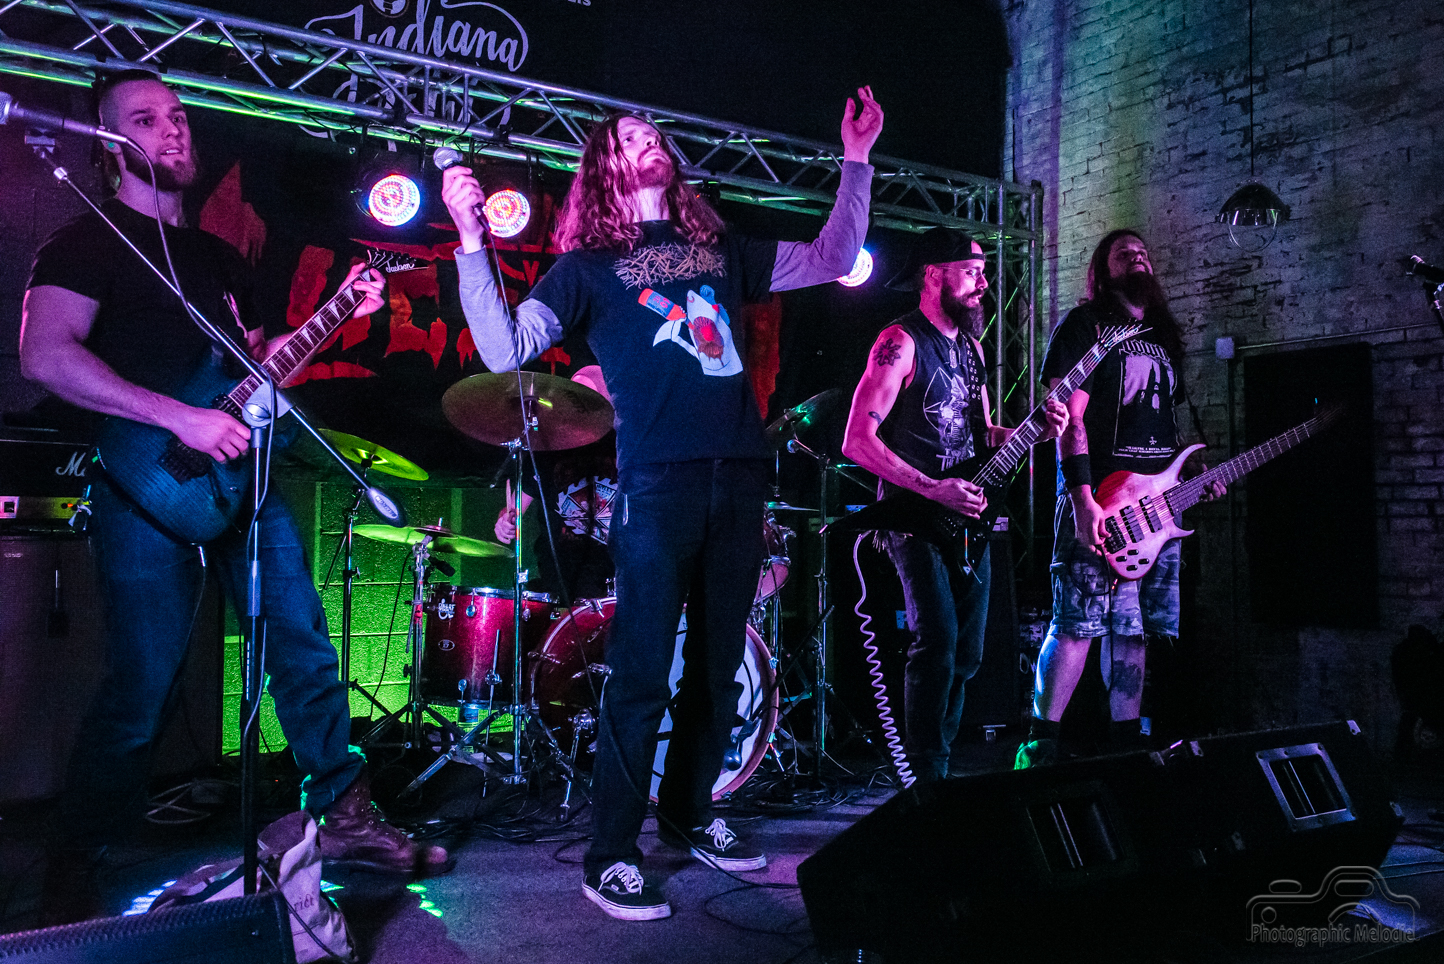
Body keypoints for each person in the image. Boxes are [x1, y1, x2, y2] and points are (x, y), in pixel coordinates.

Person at [18, 70, 450, 924]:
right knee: (142, 686)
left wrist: (340, 313)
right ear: (110, 145)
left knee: (305, 647)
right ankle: (75, 861)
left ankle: (346, 817)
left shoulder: (220, 260)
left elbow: (253, 370)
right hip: (142, 484)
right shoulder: (85, 242)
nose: (173, 129)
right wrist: (178, 416)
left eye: (179, 115)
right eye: (147, 119)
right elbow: (45, 355)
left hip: (239, 481)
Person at [443, 87, 883, 920]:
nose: (649, 140)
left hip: (739, 475)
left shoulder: (720, 248)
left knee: (716, 666)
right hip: (656, 481)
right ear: (605, 168)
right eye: (631, 137)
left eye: (654, 132)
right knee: (641, 672)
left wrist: (855, 159)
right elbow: (505, 349)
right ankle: (611, 853)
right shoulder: (584, 269)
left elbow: (834, 256)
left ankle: (688, 811)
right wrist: (470, 238)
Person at [841, 229, 1067, 785]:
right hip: (913, 517)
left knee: (968, 653)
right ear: (932, 274)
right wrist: (931, 488)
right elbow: (857, 441)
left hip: (967, 517)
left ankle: (936, 764)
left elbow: (982, 434)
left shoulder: (971, 349)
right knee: (936, 642)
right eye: (971, 272)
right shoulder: (900, 342)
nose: (983, 283)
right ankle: (926, 779)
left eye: (984, 272)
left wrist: (1034, 431)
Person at [1016, 229, 1225, 769]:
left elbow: (1164, 424)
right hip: (1101, 498)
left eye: (1144, 253)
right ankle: (1040, 743)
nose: (1138, 258)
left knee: (1135, 632)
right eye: (1124, 253)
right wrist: (1082, 499)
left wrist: (1191, 471)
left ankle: (1126, 744)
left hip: (1159, 509)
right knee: (1076, 625)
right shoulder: (1086, 326)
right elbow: (1070, 418)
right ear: (1103, 270)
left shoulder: (1162, 337)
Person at [493, 365, 616, 601]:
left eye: (586, 398)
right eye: (573, 397)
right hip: (558, 578)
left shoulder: (623, 446)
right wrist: (505, 522)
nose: (577, 405)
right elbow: (514, 509)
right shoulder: (547, 448)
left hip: (612, 577)